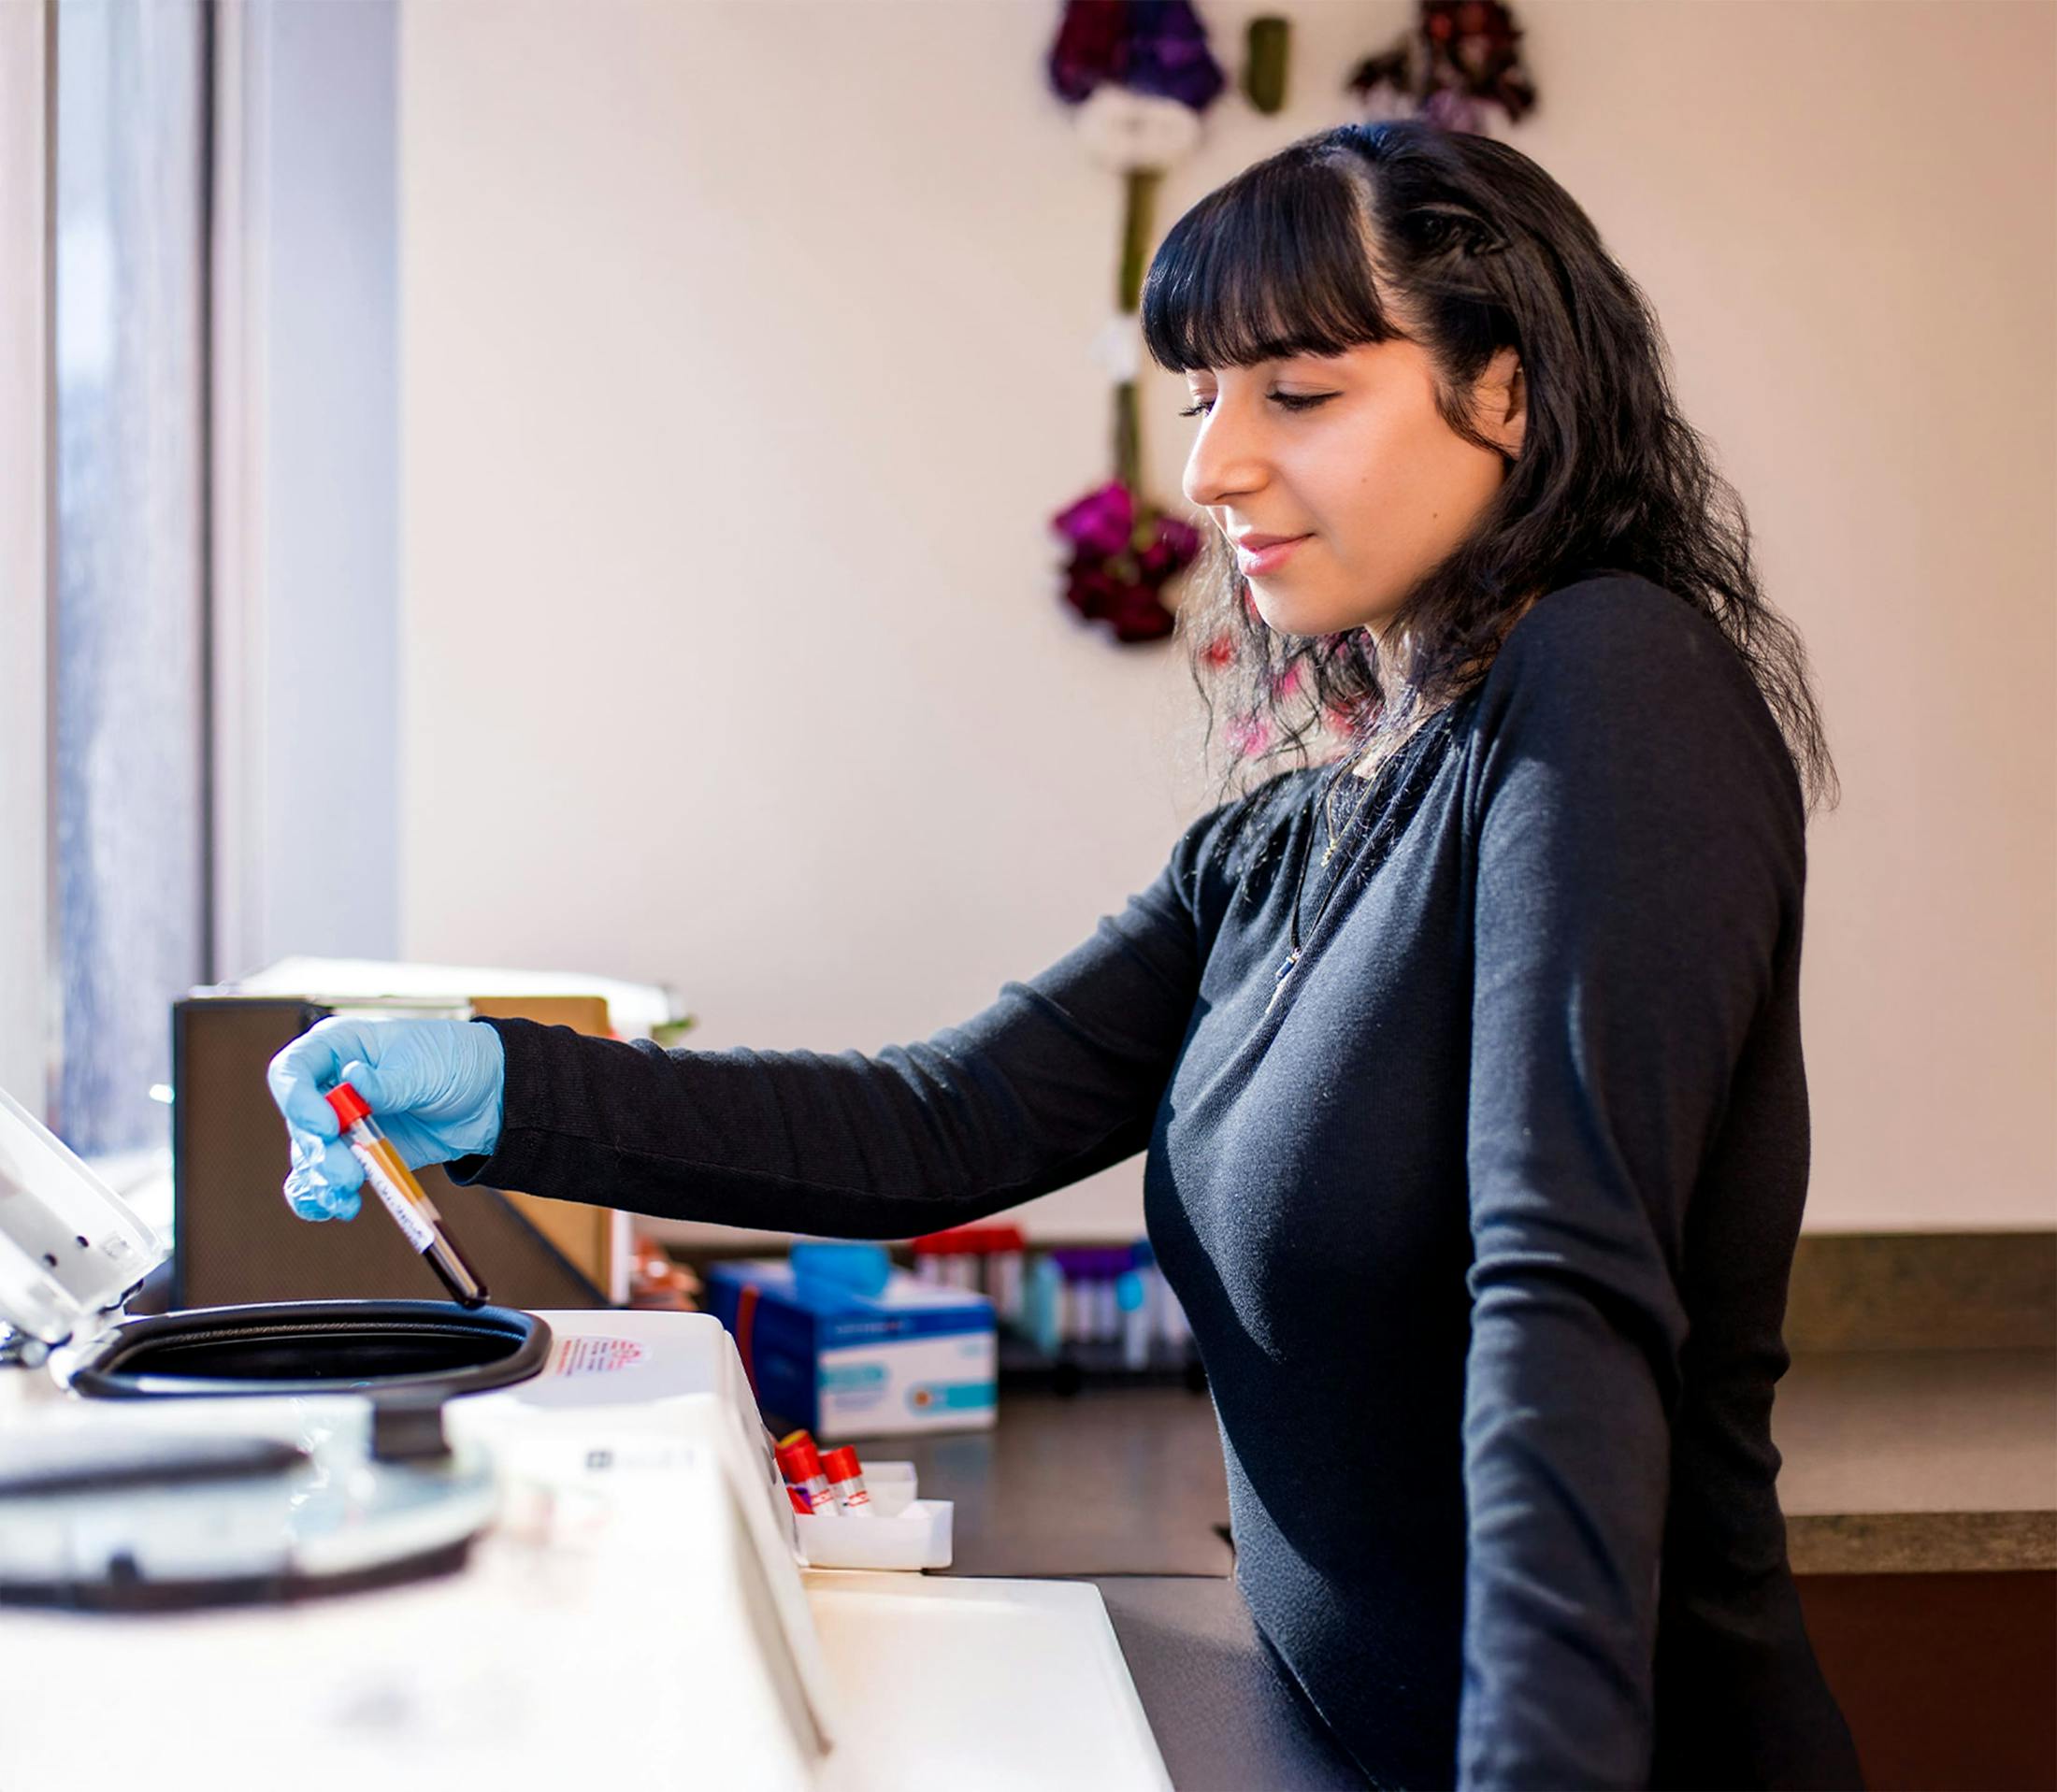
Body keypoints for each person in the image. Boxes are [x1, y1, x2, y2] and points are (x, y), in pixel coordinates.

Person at [267, 119, 1863, 1790]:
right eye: (1203, 402)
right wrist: (501, 1078)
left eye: (1299, 394)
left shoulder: (1615, 686)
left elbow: (1564, 1304)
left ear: (1510, 391)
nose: (1214, 470)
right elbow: (939, 1122)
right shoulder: (1285, 846)